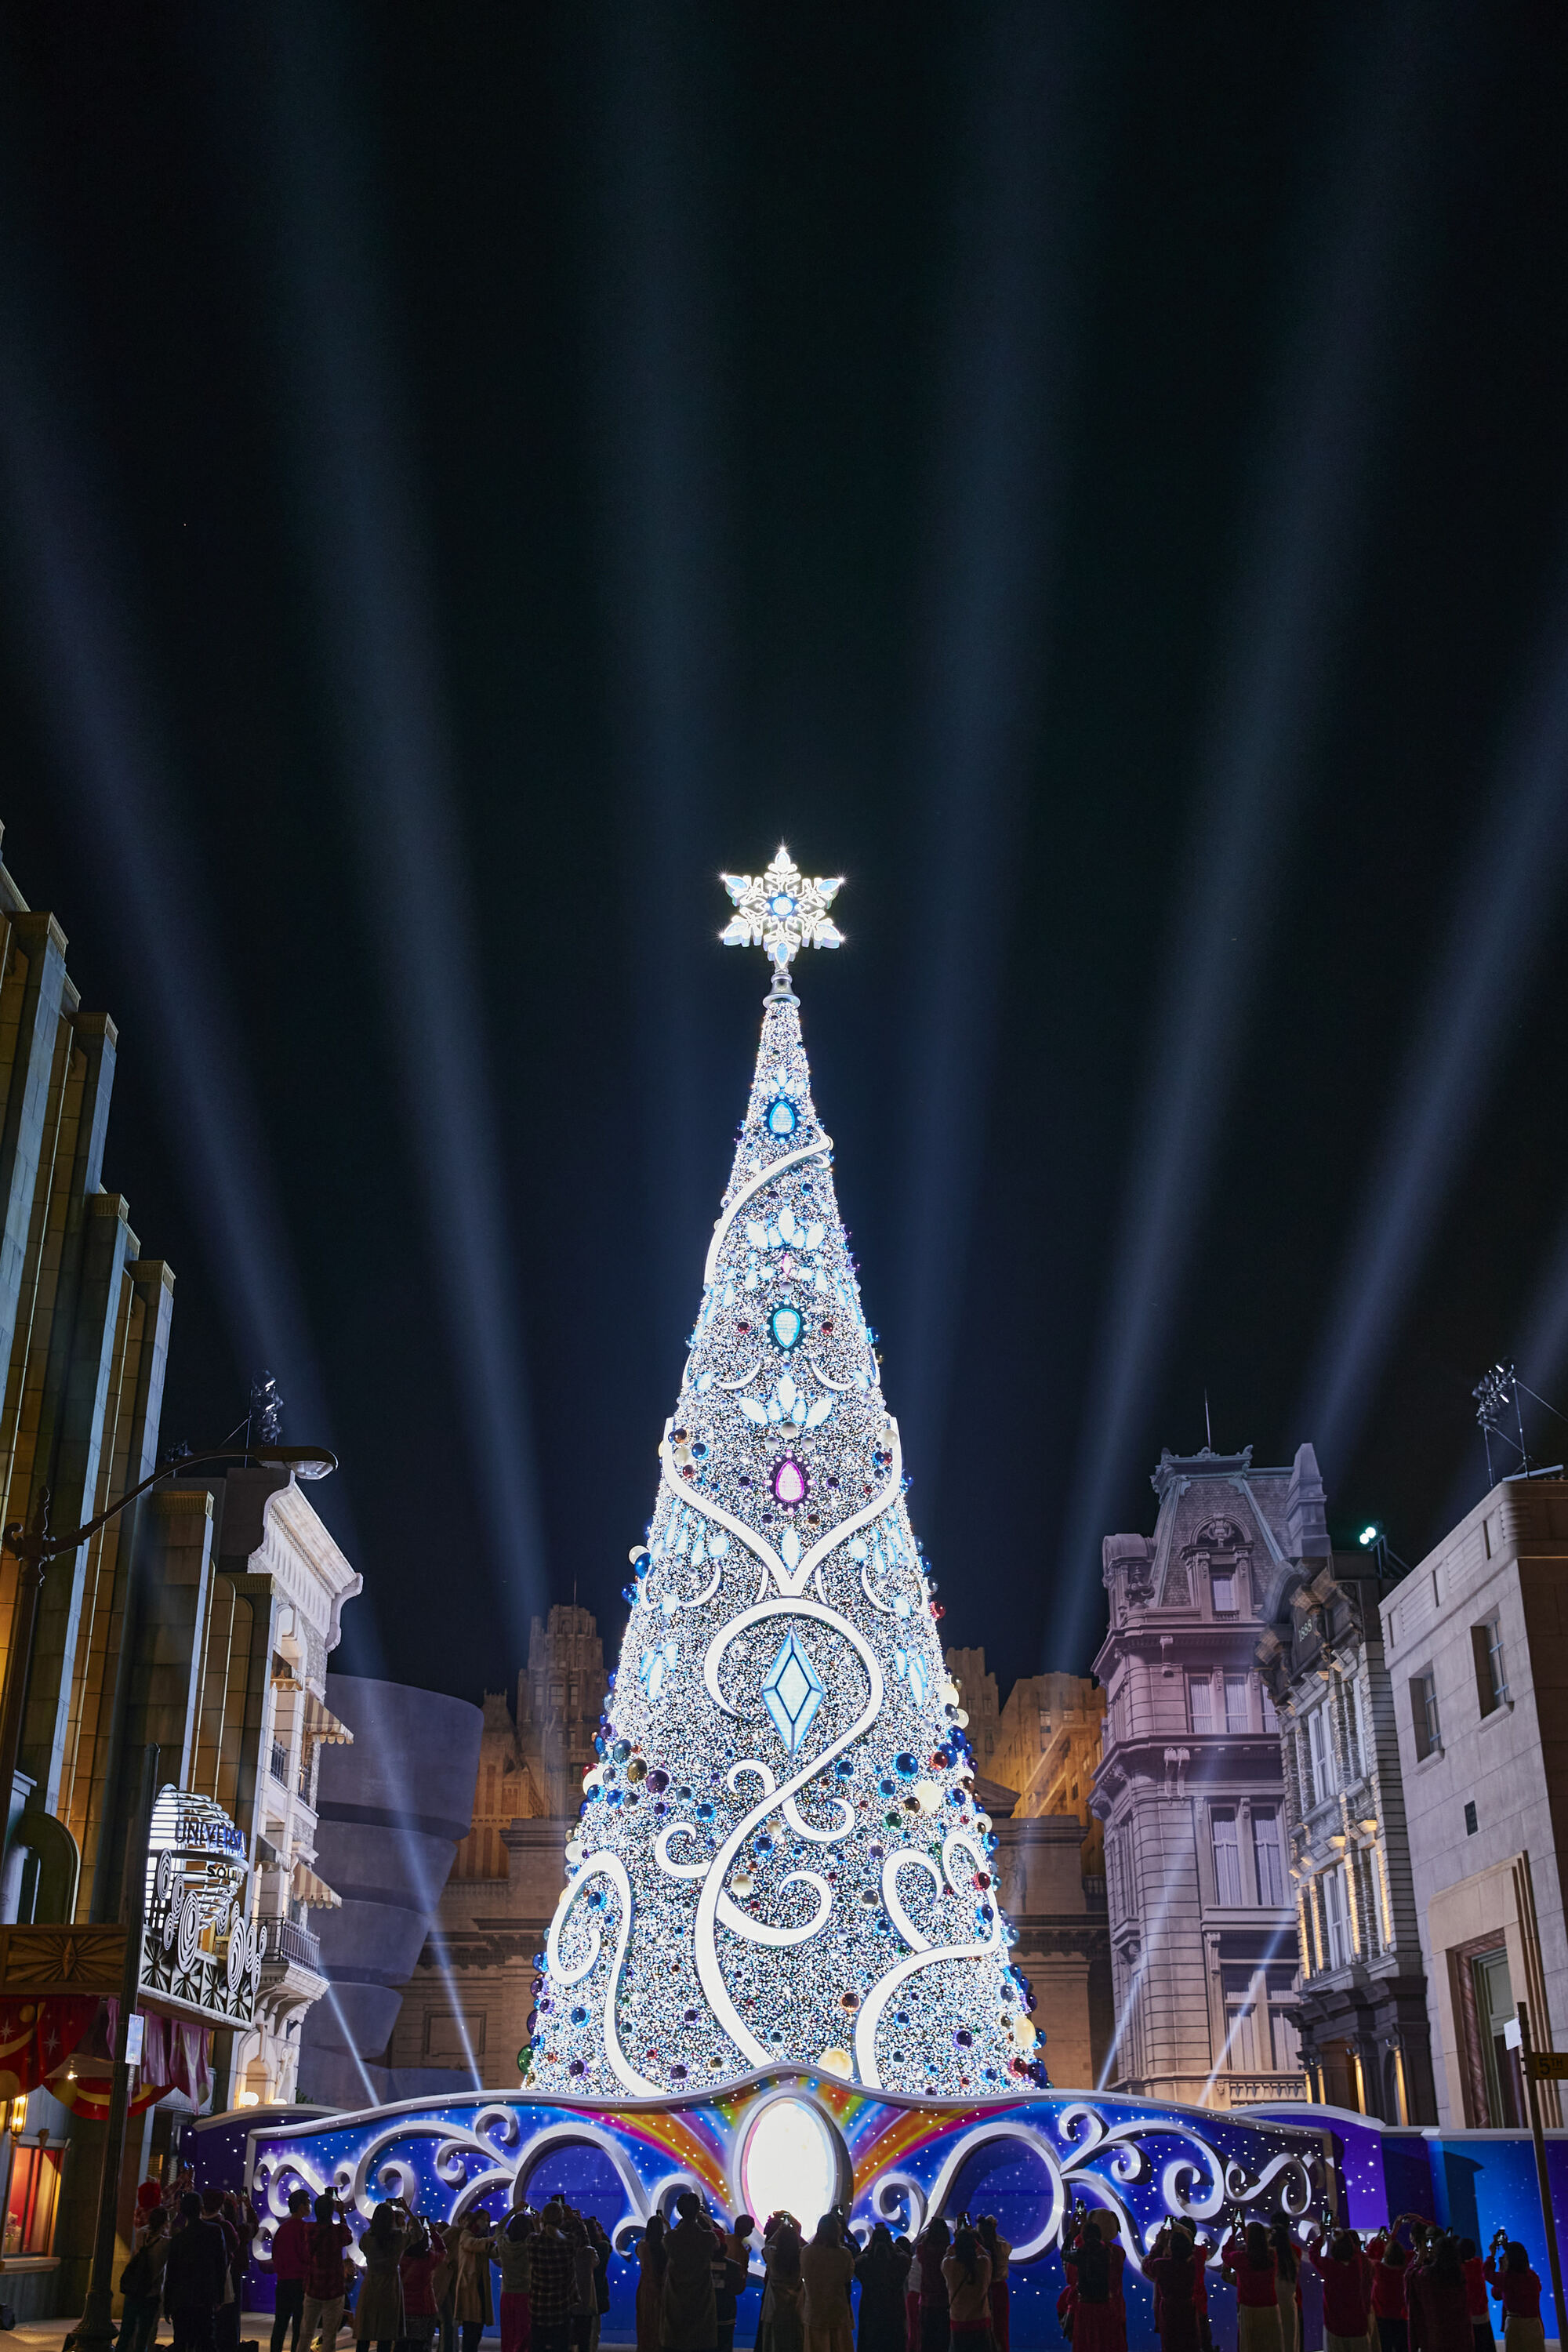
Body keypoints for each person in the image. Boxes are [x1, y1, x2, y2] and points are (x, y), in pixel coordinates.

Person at [164, 2190, 231, 2352]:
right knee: (206, 2341)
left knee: (181, 2342)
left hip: (181, 2299)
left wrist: (167, 2305)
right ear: (201, 2208)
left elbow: (171, 2273)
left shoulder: (179, 2239)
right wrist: (220, 2296)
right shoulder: (214, 2231)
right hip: (204, 2296)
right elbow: (220, 2265)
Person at [301, 2191, 355, 2352]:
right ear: (331, 2211)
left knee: (306, 2333)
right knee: (330, 2335)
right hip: (333, 2290)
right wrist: (342, 2215)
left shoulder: (309, 2229)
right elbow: (349, 2237)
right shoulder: (337, 2231)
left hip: (313, 2287)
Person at [664, 2191, 718, 2352]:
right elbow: (716, 2244)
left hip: (676, 2295)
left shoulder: (670, 2238)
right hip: (701, 2296)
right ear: (697, 2211)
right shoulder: (708, 2238)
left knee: (677, 2338)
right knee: (700, 2339)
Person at [1309, 2230, 1374, 2352]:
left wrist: (1322, 2235)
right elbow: (1358, 2252)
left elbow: (1313, 2254)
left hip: (1335, 2326)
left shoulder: (1329, 2267)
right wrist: (1344, 2237)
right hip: (1358, 2325)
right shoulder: (1357, 2265)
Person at [357, 2200, 408, 2352]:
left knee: (364, 2334)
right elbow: (418, 2234)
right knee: (385, 2336)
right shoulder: (398, 2237)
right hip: (390, 2288)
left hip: (370, 2285)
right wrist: (406, 2211)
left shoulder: (368, 2238)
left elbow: (363, 2244)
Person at [1406, 2234, 1472, 2352]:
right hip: (1458, 2334)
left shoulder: (1427, 2275)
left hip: (1436, 2335)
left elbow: (1410, 2275)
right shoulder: (1459, 2276)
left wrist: (1419, 2257)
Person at [1222, 2221, 1282, 2352]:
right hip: (1270, 2308)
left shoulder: (1241, 2258)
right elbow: (1257, 2245)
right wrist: (1246, 2232)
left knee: (1250, 2346)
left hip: (1248, 2309)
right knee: (1270, 2346)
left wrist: (1233, 2234)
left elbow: (1226, 2254)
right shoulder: (1272, 2256)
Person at [1070, 2220, 1127, 2352]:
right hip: (1108, 2305)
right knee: (1108, 2342)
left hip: (1086, 2305)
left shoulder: (1079, 2254)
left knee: (1087, 2343)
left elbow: (1070, 2277)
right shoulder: (1115, 2253)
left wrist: (1074, 2234)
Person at [1140, 2223, 1199, 2352]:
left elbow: (1147, 2264)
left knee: (1170, 2344)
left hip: (1169, 2311)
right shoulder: (1192, 2263)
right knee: (1188, 2344)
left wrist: (1160, 2243)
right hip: (1187, 2309)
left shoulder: (1162, 2265)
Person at [121, 2201, 172, 2352]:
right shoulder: (165, 2244)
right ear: (164, 2223)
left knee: (126, 2331)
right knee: (146, 2333)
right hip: (152, 2293)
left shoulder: (141, 2234)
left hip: (133, 2289)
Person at [803, 2212, 855, 2352]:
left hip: (813, 2312)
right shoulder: (844, 2254)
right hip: (837, 2312)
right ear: (837, 2231)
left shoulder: (806, 2252)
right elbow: (847, 2278)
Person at [272, 2190, 315, 2352]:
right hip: (300, 2283)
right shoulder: (305, 2229)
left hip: (283, 2282)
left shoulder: (282, 2229)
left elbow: (275, 2255)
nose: (310, 2206)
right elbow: (307, 2255)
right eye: (308, 2203)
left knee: (280, 2324)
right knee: (299, 2327)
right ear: (301, 2206)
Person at [1485, 2241, 1546, 2352]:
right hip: (1534, 2324)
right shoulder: (1532, 2276)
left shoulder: (1506, 2279)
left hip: (1515, 2325)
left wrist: (1492, 2255)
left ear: (1509, 2260)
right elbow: (1497, 2294)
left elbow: (1487, 2273)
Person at [530, 2205, 575, 2352]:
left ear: (543, 2219)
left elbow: (541, 2240)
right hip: (561, 2307)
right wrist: (574, 2219)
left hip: (538, 2307)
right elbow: (584, 2240)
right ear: (562, 2220)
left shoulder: (533, 2241)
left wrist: (537, 2225)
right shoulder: (568, 2241)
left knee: (537, 2347)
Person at [941, 2226, 993, 2352]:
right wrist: (973, 2241)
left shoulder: (949, 2265)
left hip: (958, 2322)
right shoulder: (983, 2263)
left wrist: (957, 2241)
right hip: (980, 2321)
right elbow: (986, 2255)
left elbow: (947, 2254)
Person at [854, 2225, 906, 2352]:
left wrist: (868, 2249)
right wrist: (895, 2248)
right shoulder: (899, 2262)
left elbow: (856, 2261)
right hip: (894, 2313)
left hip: (870, 2313)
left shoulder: (865, 2263)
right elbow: (907, 2257)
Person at [400, 2220, 448, 2352]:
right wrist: (434, 2233)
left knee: (402, 2345)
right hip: (424, 2309)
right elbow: (443, 2251)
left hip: (403, 2310)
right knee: (421, 2346)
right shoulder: (429, 2258)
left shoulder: (400, 2258)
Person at [762, 2218, 806, 2352]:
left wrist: (781, 2229)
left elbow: (768, 2243)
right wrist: (794, 2229)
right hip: (796, 2311)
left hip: (774, 2311)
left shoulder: (772, 2255)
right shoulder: (802, 2256)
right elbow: (807, 2246)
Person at [456, 2212, 497, 2352]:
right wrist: (492, 2239)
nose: (486, 2223)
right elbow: (471, 2244)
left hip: (479, 2286)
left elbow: (494, 2252)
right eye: (484, 2220)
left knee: (477, 2327)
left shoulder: (483, 2239)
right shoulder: (466, 2234)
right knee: (471, 2328)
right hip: (469, 2286)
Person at [497, 2210, 535, 2352]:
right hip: (525, 2295)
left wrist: (513, 2211)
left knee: (508, 2334)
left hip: (507, 2295)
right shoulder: (530, 2245)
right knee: (524, 2336)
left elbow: (500, 2227)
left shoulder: (503, 2244)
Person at [977, 2216, 1012, 2352]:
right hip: (999, 2290)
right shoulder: (1002, 2246)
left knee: (984, 2327)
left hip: (983, 2290)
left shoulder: (980, 2251)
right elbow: (1009, 2247)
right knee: (1001, 2328)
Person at [915, 2221, 950, 2352]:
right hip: (944, 2301)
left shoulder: (922, 2249)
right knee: (943, 2341)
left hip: (926, 2301)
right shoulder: (948, 2251)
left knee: (927, 2340)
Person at [636, 2215, 667, 2352]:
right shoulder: (665, 2246)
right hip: (662, 2287)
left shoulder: (642, 2246)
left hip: (646, 2288)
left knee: (645, 2320)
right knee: (660, 2322)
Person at [1271, 2220, 1301, 2352]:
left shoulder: (1269, 2257)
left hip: (1273, 2306)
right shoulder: (1292, 2258)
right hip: (1289, 2306)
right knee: (1289, 2342)